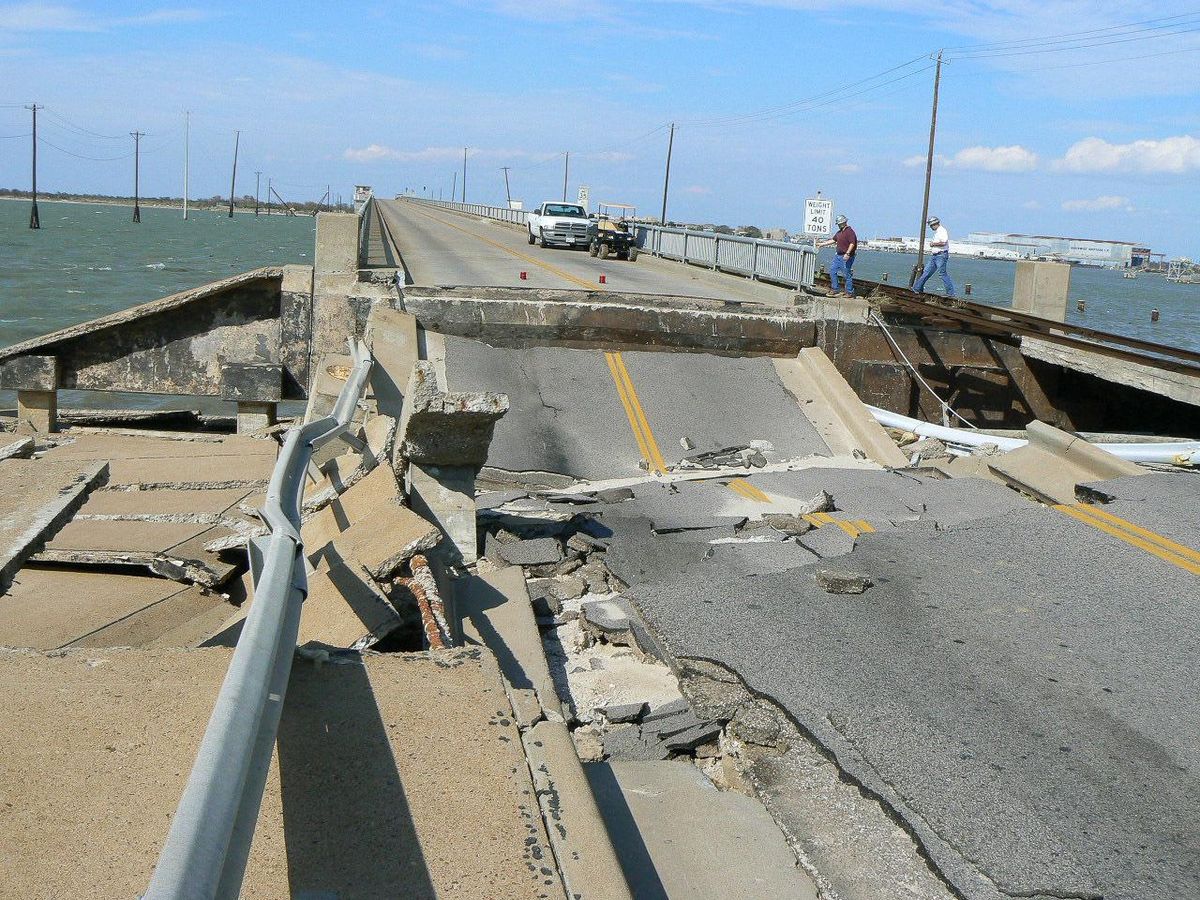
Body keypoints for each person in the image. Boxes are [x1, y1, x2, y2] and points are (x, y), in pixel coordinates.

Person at [914, 216, 957, 297]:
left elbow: (944, 242)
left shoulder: (942, 231)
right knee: (926, 272)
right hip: (935, 256)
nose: (930, 227)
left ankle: (950, 293)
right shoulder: (938, 232)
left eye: (931, 225)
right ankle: (917, 288)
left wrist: (933, 244)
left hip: (941, 255)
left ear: (934, 224)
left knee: (942, 274)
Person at [819, 214, 857, 296]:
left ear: (844, 222)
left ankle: (849, 292)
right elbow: (833, 240)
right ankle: (835, 289)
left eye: (840, 224)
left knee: (846, 274)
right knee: (832, 271)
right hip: (838, 256)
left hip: (846, 256)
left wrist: (847, 253)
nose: (839, 225)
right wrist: (821, 244)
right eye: (838, 224)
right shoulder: (839, 232)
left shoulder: (849, 231)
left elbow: (852, 243)